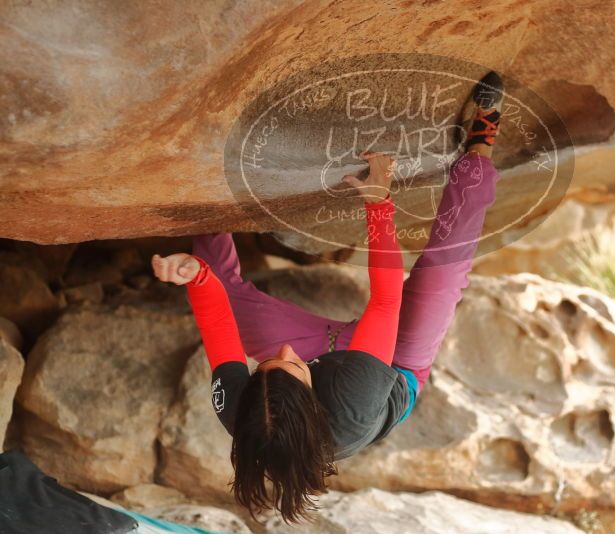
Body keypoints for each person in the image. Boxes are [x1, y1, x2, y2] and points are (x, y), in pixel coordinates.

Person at [151, 71, 504, 522]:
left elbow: (218, 324)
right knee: (442, 273)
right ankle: (483, 137)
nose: (281, 351)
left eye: (265, 365)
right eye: (291, 364)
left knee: (227, 293)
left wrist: (194, 276)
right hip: (397, 367)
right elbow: (386, 301)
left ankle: (205, 186)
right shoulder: (354, 402)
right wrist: (379, 202)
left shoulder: (245, 412)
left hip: (332, 368)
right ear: (311, 393)